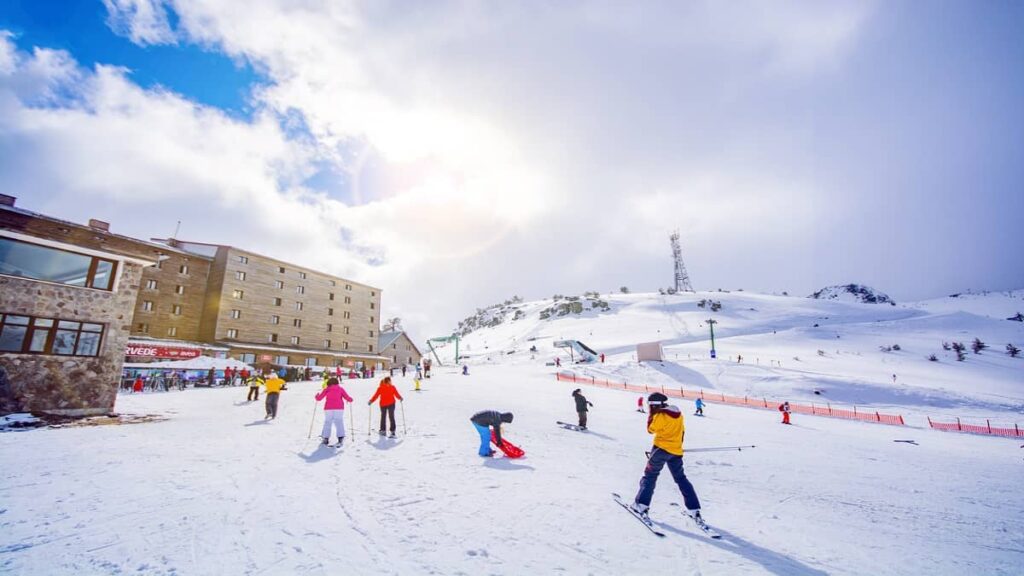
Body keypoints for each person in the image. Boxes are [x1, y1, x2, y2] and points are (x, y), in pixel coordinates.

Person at [630, 393, 705, 524]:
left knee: (650, 476)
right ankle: (694, 509)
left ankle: (641, 505)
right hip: (676, 451)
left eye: (650, 405)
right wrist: (677, 447)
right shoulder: (678, 414)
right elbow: (682, 432)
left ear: (654, 405)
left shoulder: (660, 415)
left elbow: (650, 429)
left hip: (660, 450)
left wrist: (651, 415)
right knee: (681, 479)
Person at [315, 377, 354, 446]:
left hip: (328, 408)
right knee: (339, 421)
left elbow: (319, 398)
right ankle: (340, 437)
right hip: (339, 408)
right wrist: (350, 399)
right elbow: (347, 397)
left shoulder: (327, 389)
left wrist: (317, 396)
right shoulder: (340, 389)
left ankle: (326, 438)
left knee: (328, 422)